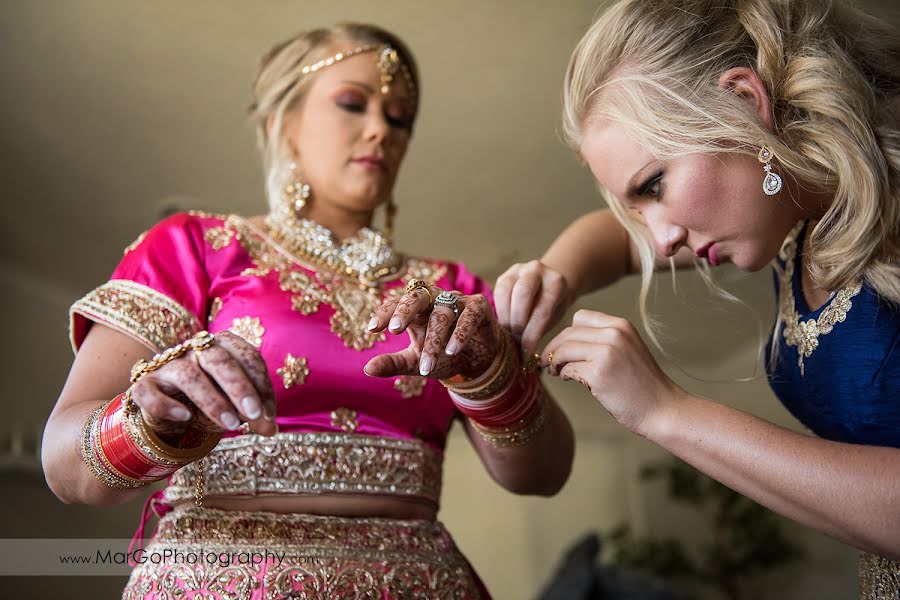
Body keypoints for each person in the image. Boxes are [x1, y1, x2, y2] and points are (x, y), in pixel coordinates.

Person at [42, 23, 574, 599]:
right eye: (353, 103)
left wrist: (491, 380)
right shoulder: (198, 247)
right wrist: (156, 419)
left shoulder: (451, 291)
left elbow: (542, 476)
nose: (380, 130)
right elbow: (67, 469)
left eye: (400, 118)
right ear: (283, 123)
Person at [494, 0, 900, 597]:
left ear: (742, 101)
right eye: (637, 207)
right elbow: (612, 240)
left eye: (654, 185)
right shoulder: (793, 213)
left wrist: (667, 412)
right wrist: (556, 273)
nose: (660, 239)